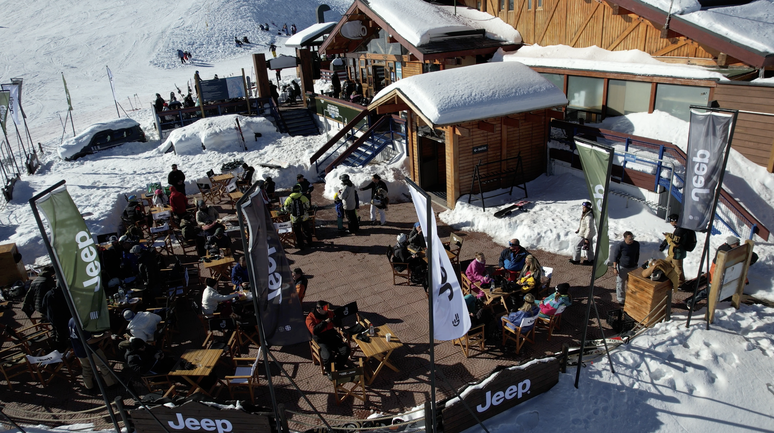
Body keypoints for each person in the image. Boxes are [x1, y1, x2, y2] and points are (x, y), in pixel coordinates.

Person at [68, 318, 117, 392]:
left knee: (86, 368)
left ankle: (89, 387)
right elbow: (89, 341)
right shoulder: (82, 324)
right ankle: (111, 383)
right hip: (90, 349)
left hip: (78, 349)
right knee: (103, 365)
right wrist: (104, 336)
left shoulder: (71, 320)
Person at [305, 300, 350, 374]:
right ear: (318, 309)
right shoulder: (310, 318)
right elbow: (314, 331)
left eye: (327, 307)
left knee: (346, 349)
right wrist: (325, 322)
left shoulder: (329, 313)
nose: (327, 309)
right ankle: (329, 371)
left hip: (331, 335)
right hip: (320, 339)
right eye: (325, 308)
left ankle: (338, 366)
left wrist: (336, 320)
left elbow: (338, 323)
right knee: (327, 357)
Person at [662, 213, 695, 287]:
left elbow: (675, 243)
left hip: (677, 253)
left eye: (671, 221)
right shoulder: (681, 228)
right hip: (673, 253)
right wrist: (670, 235)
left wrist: (667, 237)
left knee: (678, 270)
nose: (670, 223)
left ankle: (680, 284)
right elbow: (677, 238)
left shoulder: (679, 230)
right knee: (665, 263)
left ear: (674, 221)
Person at [611, 231, 640, 305]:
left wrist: (636, 263)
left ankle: (631, 298)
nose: (631, 240)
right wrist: (615, 268)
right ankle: (621, 299)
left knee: (633, 284)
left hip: (633, 267)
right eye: (630, 239)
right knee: (620, 284)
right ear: (625, 238)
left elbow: (637, 254)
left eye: (632, 238)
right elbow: (615, 257)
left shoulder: (636, 244)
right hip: (623, 267)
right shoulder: (621, 245)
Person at [284, 184, 312, 249]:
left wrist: (291, 212)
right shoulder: (303, 197)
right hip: (304, 217)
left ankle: (301, 245)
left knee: (298, 232)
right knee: (306, 230)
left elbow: (286, 208)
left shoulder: (289, 199)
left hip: (294, 218)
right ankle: (310, 243)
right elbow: (308, 206)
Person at [570, 201, 596, 265]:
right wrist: (579, 229)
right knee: (589, 247)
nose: (583, 208)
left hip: (585, 234)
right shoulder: (586, 214)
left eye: (584, 207)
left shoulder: (588, 217)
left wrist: (586, 238)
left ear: (588, 208)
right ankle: (591, 260)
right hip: (588, 233)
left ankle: (576, 260)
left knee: (576, 245)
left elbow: (589, 228)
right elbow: (584, 224)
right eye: (583, 207)